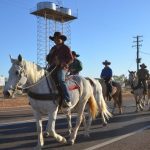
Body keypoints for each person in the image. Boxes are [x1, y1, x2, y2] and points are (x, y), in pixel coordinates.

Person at [46, 31, 73, 107]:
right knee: (44, 77)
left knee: (61, 79)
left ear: (62, 40)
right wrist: (48, 57)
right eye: (55, 39)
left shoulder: (66, 48)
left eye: (58, 39)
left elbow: (71, 59)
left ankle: (68, 99)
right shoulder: (53, 48)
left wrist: (62, 63)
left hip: (63, 67)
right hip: (53, 66)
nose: (56, 40)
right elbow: (49, 59)